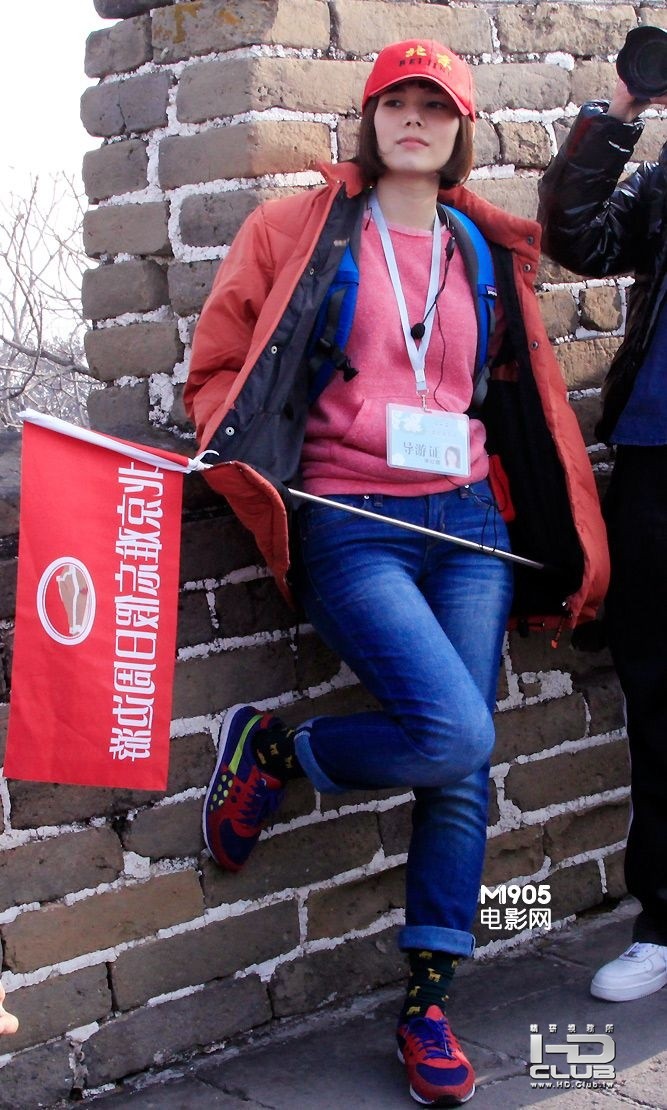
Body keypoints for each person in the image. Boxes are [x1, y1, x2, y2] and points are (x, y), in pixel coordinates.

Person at [186, 39, 608, 1107]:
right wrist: (243, 449)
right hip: (351, 521)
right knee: (457, 733)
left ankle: (427, 1006)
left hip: (465, 522)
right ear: (369, 120)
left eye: (436, 105)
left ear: (460, 130)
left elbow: (508, 390)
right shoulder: (296, 230)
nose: (413, 119)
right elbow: (219, 363)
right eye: (395, 102)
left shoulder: (477, 246)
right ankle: (277, 747)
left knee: (459, 767)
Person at [538, 71, 667, 1004]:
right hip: (655, 466)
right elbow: (574, 235)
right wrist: (622, 108)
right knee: (656, 700)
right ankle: (662, 923)